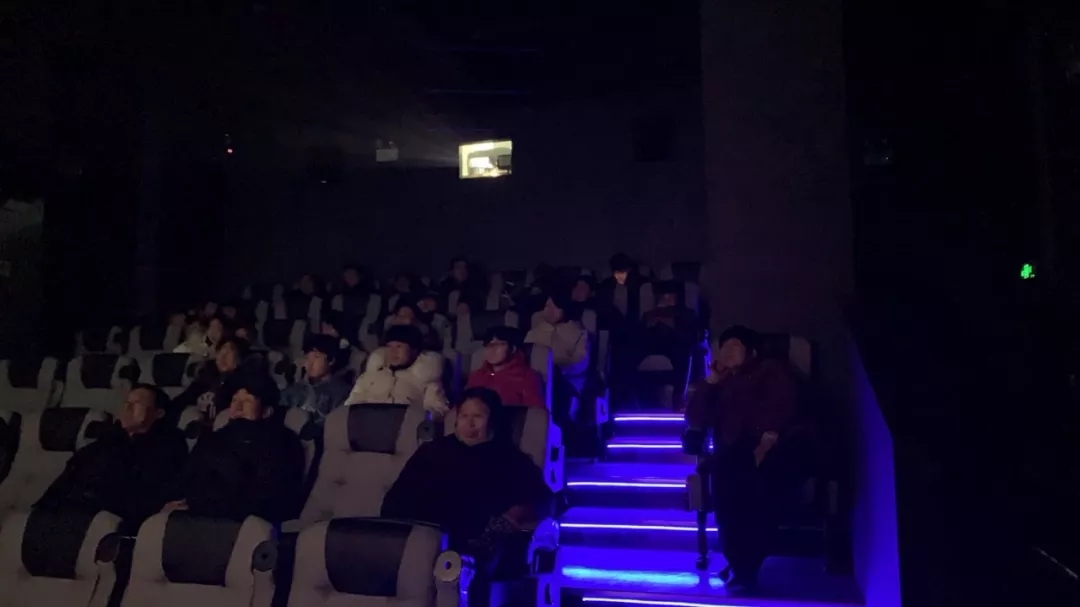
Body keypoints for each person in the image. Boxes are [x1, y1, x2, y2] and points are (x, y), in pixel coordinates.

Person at [684, 325, 799, 592]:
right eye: (724, 347)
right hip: (728, 456)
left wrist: (762, 443)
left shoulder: (768, 371)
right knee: (725, 489)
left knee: (748, 490)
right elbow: (695, 417)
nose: (727, 351)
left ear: (751, 352)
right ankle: (739, 564)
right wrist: (712, 382)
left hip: (763, 448)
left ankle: (744, 567)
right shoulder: (718, 382)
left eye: (735, 346)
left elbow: (780, 409)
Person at [381, 387, 553, 564]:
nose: (470, 424)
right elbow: (396, 499)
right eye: (464, 416)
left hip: (474, 551)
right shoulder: (432, 452)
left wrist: (505, 523)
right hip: (422, 541)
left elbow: (542, 501)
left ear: (492, 420)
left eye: (478, 416)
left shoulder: (511, 459)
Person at [163, 369, 304, 523]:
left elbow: (272, 498)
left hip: (246, 525)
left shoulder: (284, 442)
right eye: (234, 400)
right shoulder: (212, 440)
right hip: (197, 519)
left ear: (267, 411)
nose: (237, 408)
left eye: (247, 401)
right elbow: (187, 481)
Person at [36, 384, 188, 525]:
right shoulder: (106, 441)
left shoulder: (169, 445)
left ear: (158, 413)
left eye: (137, 404)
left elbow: (149, 494)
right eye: (126, 403)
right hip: (76, 517)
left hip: (120, 523)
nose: (127, 408)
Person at [344, 324, 449, 415]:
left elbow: (437, 410)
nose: (393, 351)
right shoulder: (368, 378)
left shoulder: (426, 381)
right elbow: (350, 406)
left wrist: (422, 418)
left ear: (414, 350)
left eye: (399, 346)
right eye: (389, 346)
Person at [638, 280, 700, 409]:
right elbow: (640, 334)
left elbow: (691, 337)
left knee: (683, 354)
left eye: (670, 296)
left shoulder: (687, 314)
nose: (667, 299)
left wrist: (671, 325)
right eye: (663, 297)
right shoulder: (649, 314)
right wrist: (652, 326)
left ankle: (678, 398)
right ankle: (635, 399)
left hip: (677, 344)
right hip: (651, 345)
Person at [171, 336, 250, 422]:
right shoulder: (207, 376)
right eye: (221, 350)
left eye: (230, 352)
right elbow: (184, 398)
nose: (223, 356)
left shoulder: (242, 383)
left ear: (240, 359)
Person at [281, 334, 353, 425]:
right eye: (307, 358)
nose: (310, 363)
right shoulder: (299, 388)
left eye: (317, 357)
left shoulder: (341, 390)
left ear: (331, 360)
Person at [525, 293, 590, 392]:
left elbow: (581, 363)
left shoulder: (578, 332)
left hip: (564, 383)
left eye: (555, 307)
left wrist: (560, 369)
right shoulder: (538, 325)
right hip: (536, 381)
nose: (550, 310)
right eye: (547, 306)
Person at [466, 326, 545, 408]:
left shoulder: (527, 377)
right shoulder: (476, 376)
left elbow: (535, 411)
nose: (492, 349)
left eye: (498, 344)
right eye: (488, 345)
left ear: (513, 349)